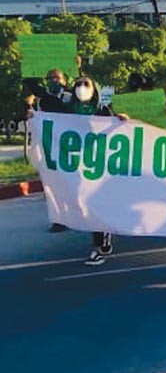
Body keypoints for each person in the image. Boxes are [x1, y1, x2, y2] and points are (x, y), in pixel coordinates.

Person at [62, 77, 130, 265]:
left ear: (95, 89)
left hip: (99, 165)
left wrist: (121, 120)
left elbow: (115, 128)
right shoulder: (68, 110)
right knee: (86, 204)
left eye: (86, 84)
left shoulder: (101, 109)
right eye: (78, 84)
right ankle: (101, 237)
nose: (81, 88)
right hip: (77, 164)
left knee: (96, 202)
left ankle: (99, 244)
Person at [25, 69, 74, 233]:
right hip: (50, 148)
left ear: (64, 80)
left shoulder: (70, 97)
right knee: (53, 184)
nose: (54, 81)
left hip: (68, 148)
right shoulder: (40, 101)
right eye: (50, 78)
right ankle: (59, 219)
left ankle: (74, 215)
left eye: (57, 78)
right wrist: (30, 110)